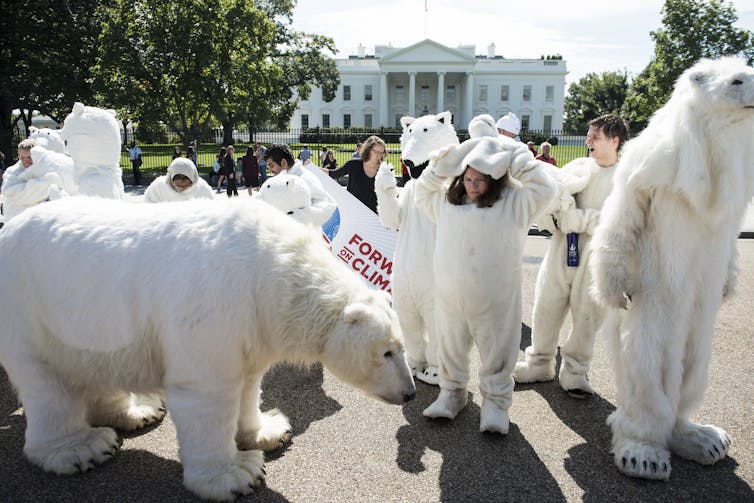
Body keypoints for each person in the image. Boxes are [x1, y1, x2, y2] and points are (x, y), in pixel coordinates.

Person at [414, 136, 556, 434]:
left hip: (495, 302)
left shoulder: (514, 202)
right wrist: (438, 166)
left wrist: (518, 157)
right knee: (450, 349)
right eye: (467, 178)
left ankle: (495, 403)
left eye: (480, 179)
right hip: (450, 300)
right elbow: (422, 193)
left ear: (494, 178)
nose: (473, 185)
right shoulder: (448, 203)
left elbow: (545, 189)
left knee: (497, 352)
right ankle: (452, 393)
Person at [513, 113, 629, 397]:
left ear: (614, 140)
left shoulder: (626, 178)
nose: (588, 140)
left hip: (596, 257)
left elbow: (623, 222)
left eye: (595, 136)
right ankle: (539, 363)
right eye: (589, 135)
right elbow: (553, 204)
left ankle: (576, 371)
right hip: (562, 250)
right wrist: (557, 219)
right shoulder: (577, 167)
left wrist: (581, 219)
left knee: (588, 315)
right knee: (546, 306)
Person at [1, 139, 76, 222]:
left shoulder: (43, 169)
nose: (26, 161)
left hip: (38, 220)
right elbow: (14, 193)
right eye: (22, 157)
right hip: (16, 219)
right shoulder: (12, 172)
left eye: (29, 157)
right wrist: (45, 182)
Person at [264, 144, 336, 227]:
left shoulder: (305, 178)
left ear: (283, 163)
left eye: (271, 165)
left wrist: (300, 217)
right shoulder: (283, 179)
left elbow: (327, 205)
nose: (269, 170)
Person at [325, 136, 385, 213]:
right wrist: (310, 167)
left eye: (381, 152)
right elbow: (332, 174)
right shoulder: (353, 165)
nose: (378, 155)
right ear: (368, 149)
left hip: (374, 217)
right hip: (353, 214)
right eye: (376, 151)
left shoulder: (384, 171)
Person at [144, 157, 215, 202]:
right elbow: (149, 211)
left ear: (193, 181)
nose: (182, 190)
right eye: (178, 186)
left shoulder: (202, 189)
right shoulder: (158, 187)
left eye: (186, 186)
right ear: (171, 180)